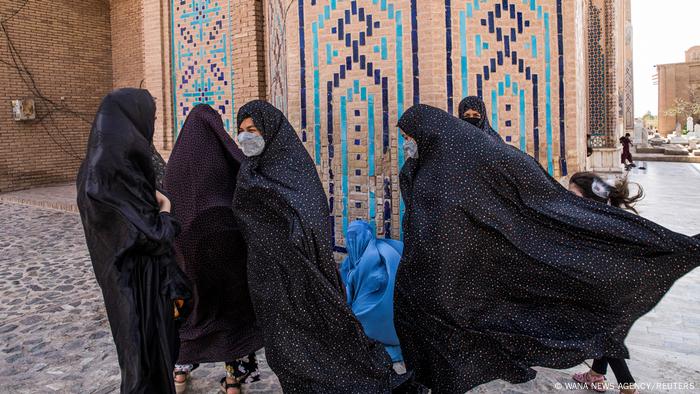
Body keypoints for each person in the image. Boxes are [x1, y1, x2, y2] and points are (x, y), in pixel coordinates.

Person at [393, 104, 700, 393]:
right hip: (450, 271)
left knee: (574, 303)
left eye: (410, 138)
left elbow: (549, 203)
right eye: (407, 139)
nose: (409, 144)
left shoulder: (489, 155)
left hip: (494, 262)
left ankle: (615, 373)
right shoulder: (437, 163)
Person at [230, 101, 417, 393]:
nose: (245, 138)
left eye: (252, 130)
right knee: (282, 350)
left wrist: (290, 247)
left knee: (309, 344)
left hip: (301, 276)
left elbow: (310, 218)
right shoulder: (249, 172)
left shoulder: (293, 170)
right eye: (241, 132)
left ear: (270, 131)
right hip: (266, 279)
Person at [77, 88, 191, 394]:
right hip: (142, 287)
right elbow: (153, 236)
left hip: (120, 281)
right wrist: (166, 211)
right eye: (149, 119)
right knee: (146, 365)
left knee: (136, 359)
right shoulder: (119, 173)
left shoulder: (96, 167)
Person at [163, 105, 263, 394]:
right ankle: (233, 381)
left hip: (188, 257)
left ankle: (179, 374)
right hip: (227, 257)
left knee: (189, 316)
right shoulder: (227, 161)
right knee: (231, 315)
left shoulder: (177, 164)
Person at [568, 172, 643, 394]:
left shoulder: (592, 221)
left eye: (573, 193)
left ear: (590, 197)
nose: (568, 197)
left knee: (604, 335)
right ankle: (596, 375)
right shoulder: (606, 216)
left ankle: (627, 386)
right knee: (604, 332)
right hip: (610, 286)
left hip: (603, 287)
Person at [340, 220, 404, 363]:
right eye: (349, 238)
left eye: (355, 236)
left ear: (366, 236)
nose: (351, 242)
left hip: (383, 312)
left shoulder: (376, 257)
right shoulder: (352, 260)